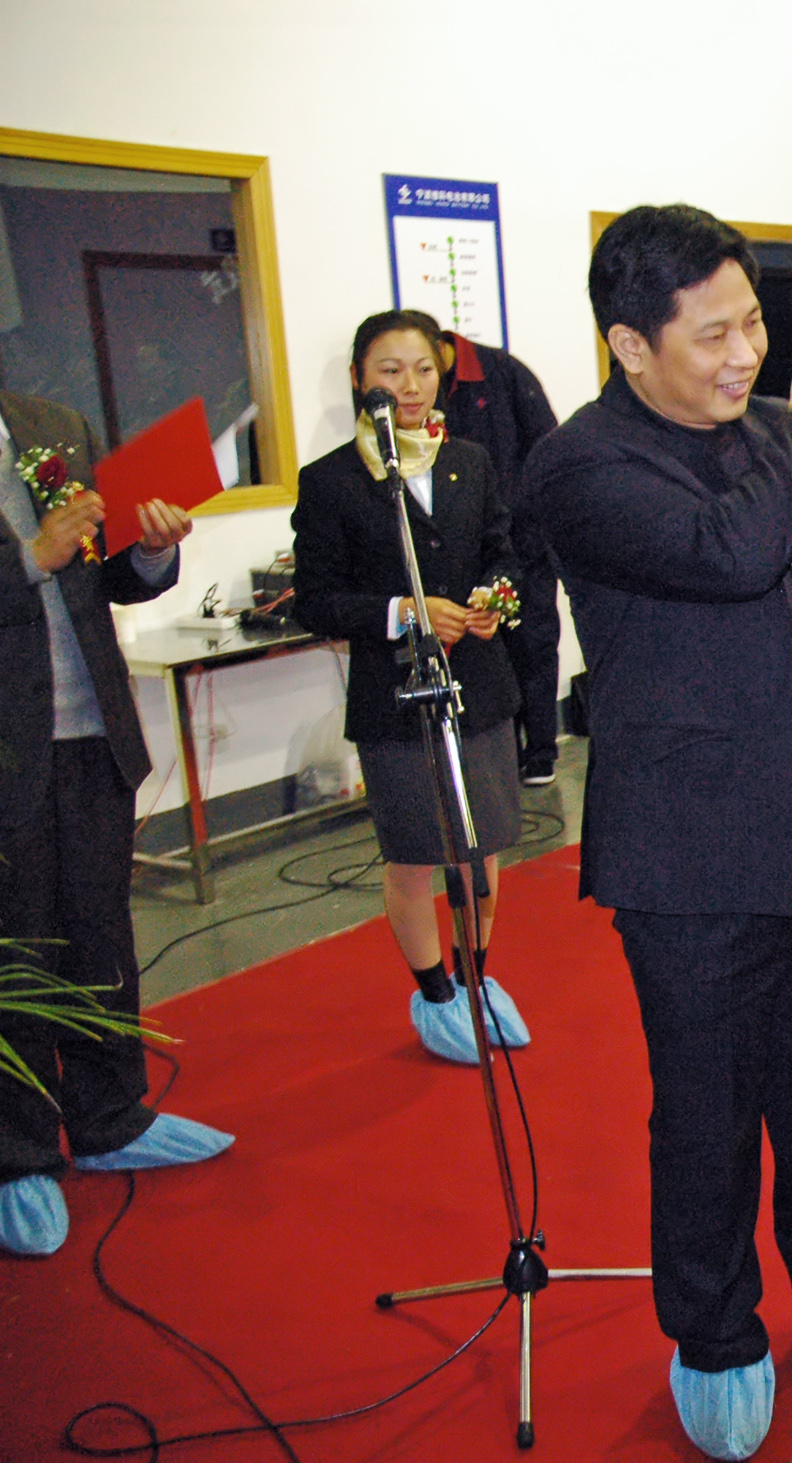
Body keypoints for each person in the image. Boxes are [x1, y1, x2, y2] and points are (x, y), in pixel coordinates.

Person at [525, 205, 792, 1461]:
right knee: (707, 1111)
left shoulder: (773, 432)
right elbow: (729, 553)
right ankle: (713, 1333)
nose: (745, 353)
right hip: (693, 854)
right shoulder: (583, 465)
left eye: (753, 322)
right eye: (711, 334)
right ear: (629, 345)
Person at [0, 390, 232, 1257]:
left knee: (100, 934)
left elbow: (105, 573)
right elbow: (49, 558)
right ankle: (18, 1153)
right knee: (16, 951)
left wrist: (151, 549)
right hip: (7, 747)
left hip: (92, 727)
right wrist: (31, 557)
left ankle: (110, 1115)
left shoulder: (51, 424)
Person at [291, 310, 532, 1066]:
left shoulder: (468, 460)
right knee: (416, 854)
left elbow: (503, 552)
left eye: (424, 368)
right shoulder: (332, 479)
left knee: (482, 850)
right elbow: (315, 601)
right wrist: (404, 613)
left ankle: (475, 979)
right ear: (359, 380)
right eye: (390, 371)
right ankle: (434, 994)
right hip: (395, 697)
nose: (410, 385)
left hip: (478, 686)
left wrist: (494, 599)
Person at [434, 327, 564, 787]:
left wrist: (530, 516)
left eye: (424, 365)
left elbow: (548, 447)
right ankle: (499, 755)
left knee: (533, 644)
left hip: (525, 540)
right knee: (485, 651)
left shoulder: (501, 373)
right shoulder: (422, 394)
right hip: (468, 547)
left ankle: (541, 751)